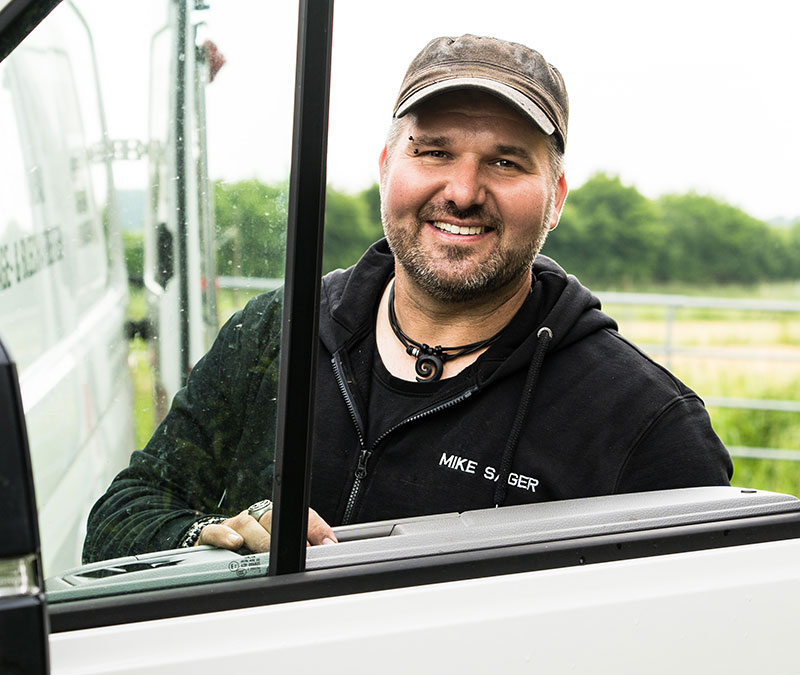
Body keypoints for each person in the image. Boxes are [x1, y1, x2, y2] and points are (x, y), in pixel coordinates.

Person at [84, 34, 732, 562]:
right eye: (434, 151)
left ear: (556, 197)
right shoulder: (275, 333)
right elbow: (122, 516)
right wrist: (212, 538)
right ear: (385, 167)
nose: (463, 191)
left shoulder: (645, 425)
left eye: (506, 162)